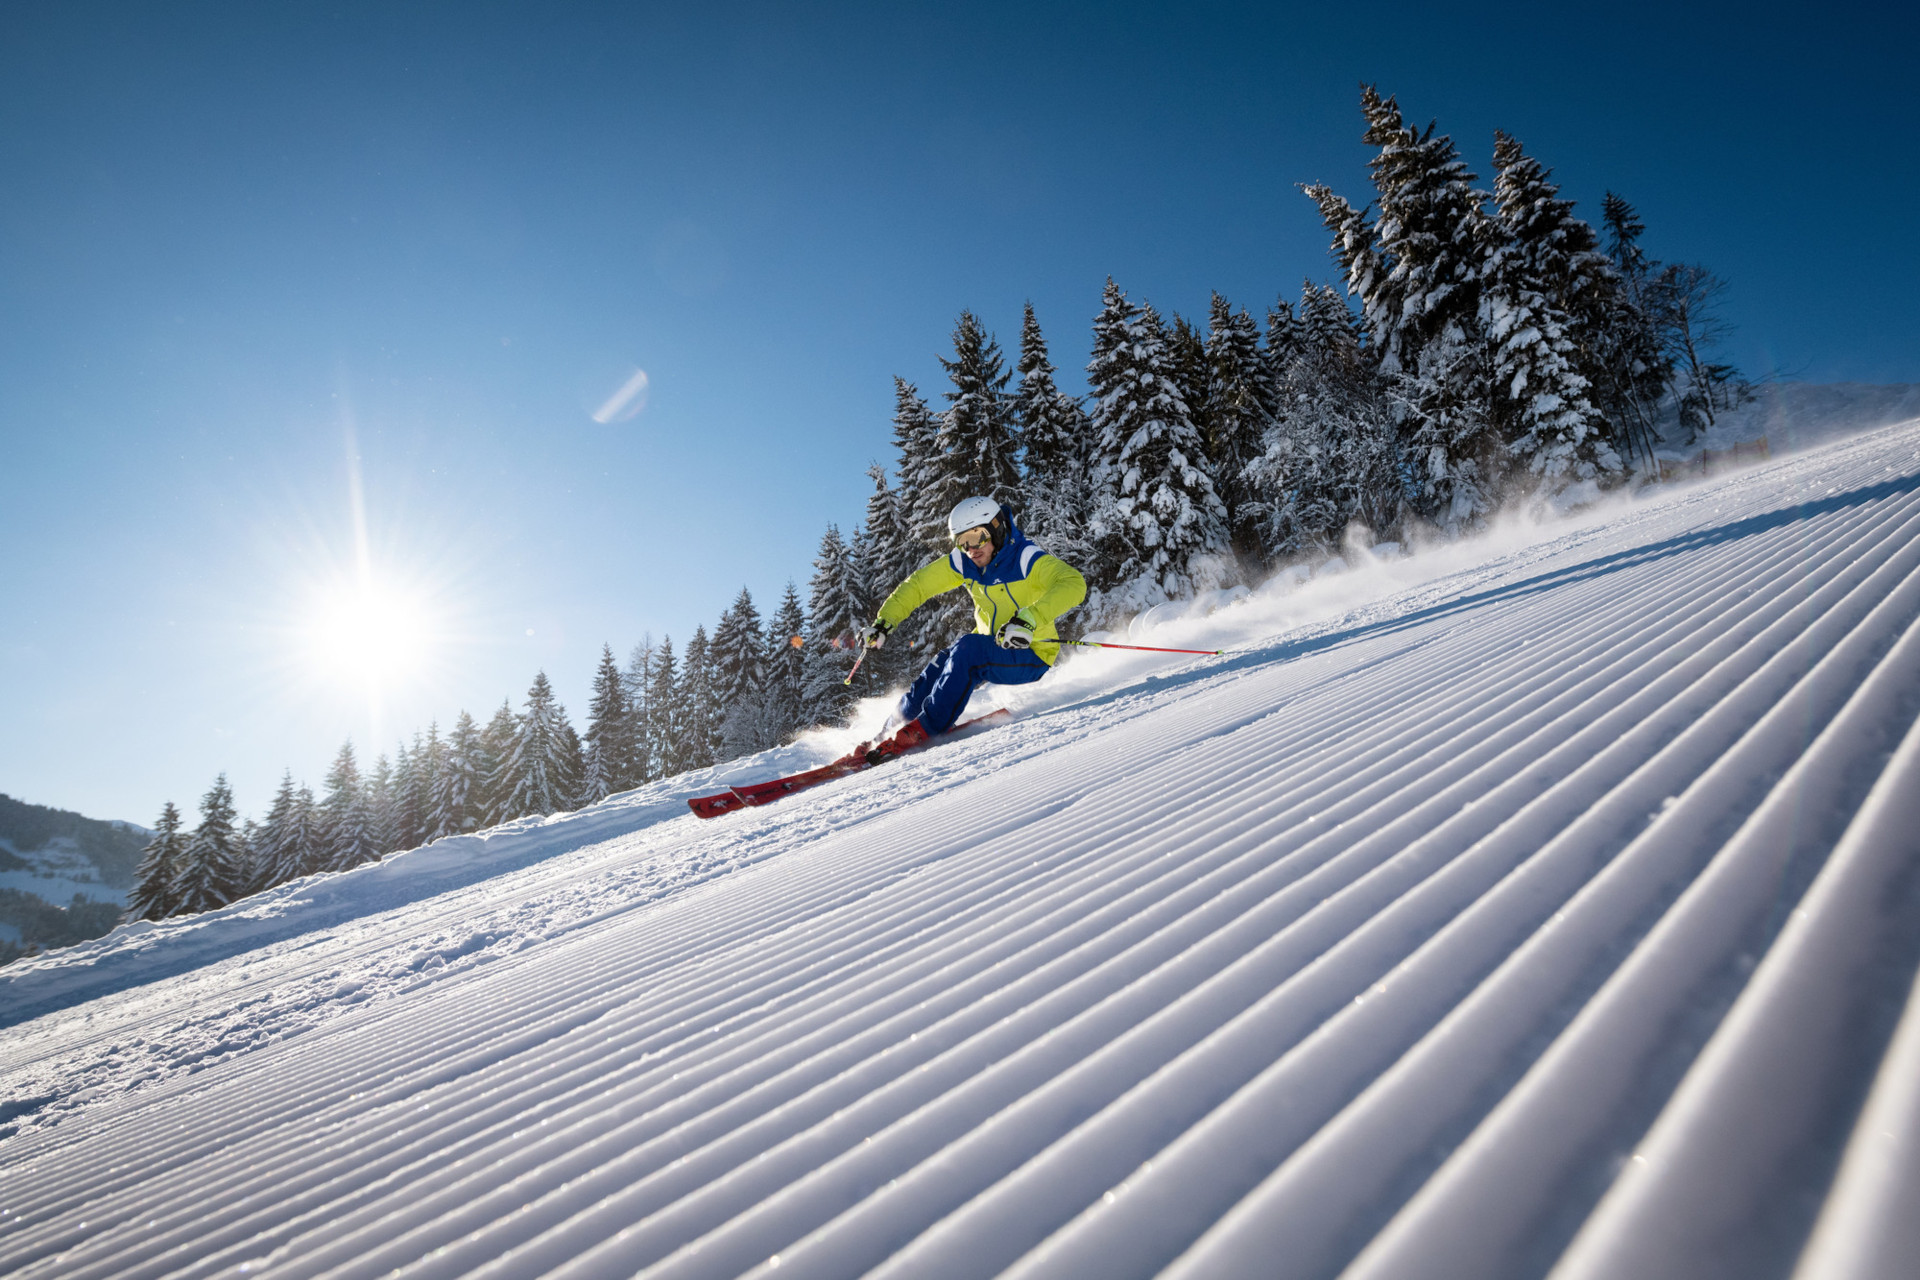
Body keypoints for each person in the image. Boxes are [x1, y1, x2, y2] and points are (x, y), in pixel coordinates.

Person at [851, 495, 1087, 763]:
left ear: (996, 529)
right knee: (942, 663)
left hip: (1031, 652)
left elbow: (1073, 582)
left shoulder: (1025, 558)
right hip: (992, 647)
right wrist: (884, 623)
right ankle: (887, 733)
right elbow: (918, 585)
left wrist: (1029, 618)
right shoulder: (965, 562)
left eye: (977, 537)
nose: (971, 549)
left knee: (967, 650)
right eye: (962, 542)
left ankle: (922, 730)